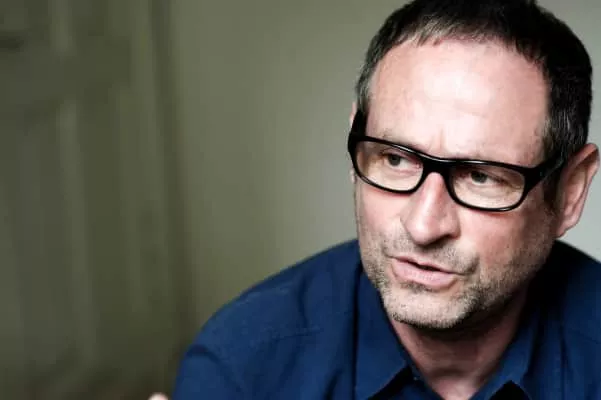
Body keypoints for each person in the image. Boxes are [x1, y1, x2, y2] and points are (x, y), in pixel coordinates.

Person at [166, 0, 601, 398]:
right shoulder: (243, 369)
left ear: (570, 192)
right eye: (395, 159)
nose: (423, 226)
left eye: (480, 176)